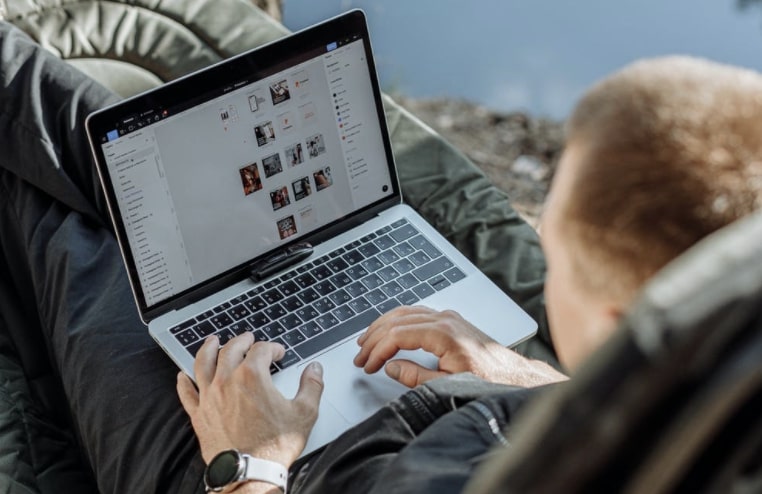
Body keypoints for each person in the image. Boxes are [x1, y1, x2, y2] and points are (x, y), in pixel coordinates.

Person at [2, 19, 762, 493]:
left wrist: (253, 464)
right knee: (111, 173)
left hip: (262, 469)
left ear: (618, 317)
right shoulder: (721, 418)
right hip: (441, 412)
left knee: (55, 225)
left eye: (551, 254)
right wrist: (537, 382)